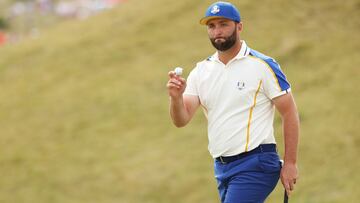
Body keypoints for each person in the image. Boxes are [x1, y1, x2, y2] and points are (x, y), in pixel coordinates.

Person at [166, 1, 299, 203]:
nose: (217, 31)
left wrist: (290, 163)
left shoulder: (263, 65)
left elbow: (289, 112)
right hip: (222, 168)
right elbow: (181, 119)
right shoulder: (201, 71)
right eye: (211, 26)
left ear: (239, 26)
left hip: (257, 163)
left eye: (223, 24)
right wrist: (175, 99)